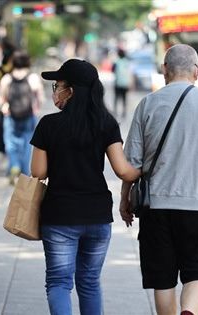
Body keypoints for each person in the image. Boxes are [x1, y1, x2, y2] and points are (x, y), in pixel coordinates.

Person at [30, 59, 141, 315]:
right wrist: (148, 168)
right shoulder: (106, 123)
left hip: (60, 216)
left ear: (70, 91)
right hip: (97, 215)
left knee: (59, 282)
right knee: (89, 282)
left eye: (56, 85)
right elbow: (123, 170)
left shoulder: (49, 124)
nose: (54, 91)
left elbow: (38, 172)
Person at [120, 44, 198, 315]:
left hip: (156, 207)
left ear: (164, 70)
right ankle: (189, 312)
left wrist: (124, 200)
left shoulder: (148, 104)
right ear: (197, 71)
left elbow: (131, 164)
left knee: (163, 280)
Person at [0, 51, 44, 184]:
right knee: (27, 143)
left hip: (11, 116)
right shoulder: (33, 77)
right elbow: (39, 98)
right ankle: (24, 172)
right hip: (29, 115)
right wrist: (36, 109)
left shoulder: (7, 78)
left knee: (10, 143)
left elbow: (0, 99)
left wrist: (4, 108)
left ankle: (14, 166)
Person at [112, 48, 132, 118]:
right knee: (124, 98)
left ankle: (115, 111)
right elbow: (129, 73)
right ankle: (124, 112)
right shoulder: (127, 62)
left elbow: (113, 70)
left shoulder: (116, 62)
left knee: (116, 98)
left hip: (118, 83)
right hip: (125, 83)